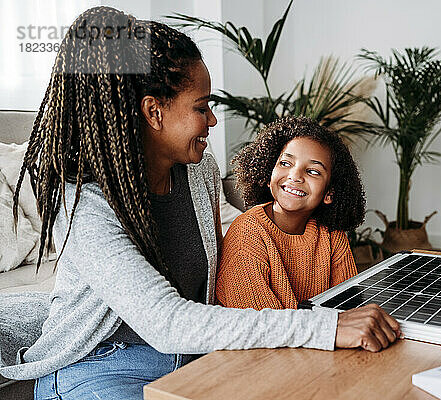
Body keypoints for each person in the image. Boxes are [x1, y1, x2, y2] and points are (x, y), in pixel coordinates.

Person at [0, 7, 401, 400]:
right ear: (154, 112)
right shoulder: (84, 202)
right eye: (201, 106)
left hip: (193, 356)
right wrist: (326, 327)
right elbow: (166, 321)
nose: (211, 121)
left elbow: (205, 300)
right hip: (99, 367)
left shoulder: (200, 171)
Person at [216, 117, 364, 310]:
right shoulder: (247, 234)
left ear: (329, 193)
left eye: (313, 171)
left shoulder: (332, 236)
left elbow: (350, 309)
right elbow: (265, 329)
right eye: (286, 163)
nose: (295, 175)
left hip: (315, 338)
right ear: (268, 175)